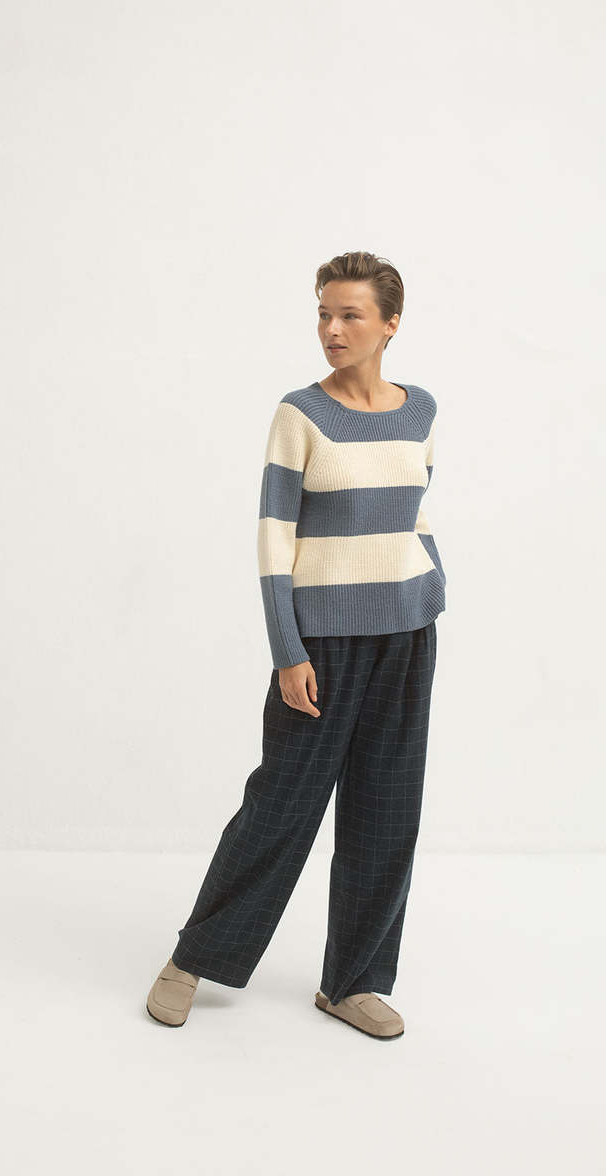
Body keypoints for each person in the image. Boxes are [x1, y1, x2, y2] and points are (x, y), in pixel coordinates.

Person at [146, 250, 446, 1039]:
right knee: (279, 808)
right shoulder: (299, 414)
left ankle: (352, 982)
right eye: (324, 313)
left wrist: (429, 584)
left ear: (390, 324)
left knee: (387, 812)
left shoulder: (421, 410)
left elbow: (414, 509)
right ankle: (191, 960)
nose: (332, 329)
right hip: (323, 644)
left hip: (406, 634)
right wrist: (288, 649)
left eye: (350, 314)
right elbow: (275, 537)